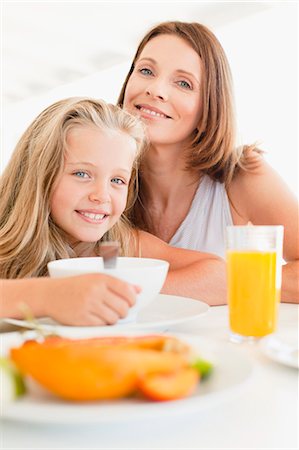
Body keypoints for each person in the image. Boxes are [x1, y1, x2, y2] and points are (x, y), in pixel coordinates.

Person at [0, 97, 226, 326]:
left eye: (117, 180)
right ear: (39, 175)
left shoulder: (118, 245)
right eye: (82, 174)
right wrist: (50, 296)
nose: (102, 195)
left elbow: (225, 278)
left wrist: (122, 290)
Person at [117, 21, 299, 303]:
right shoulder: (97, 176)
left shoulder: (242, 175)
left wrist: (225, 284)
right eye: (145, 71)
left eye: (183, 83)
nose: (156, 90)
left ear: (208, 109)